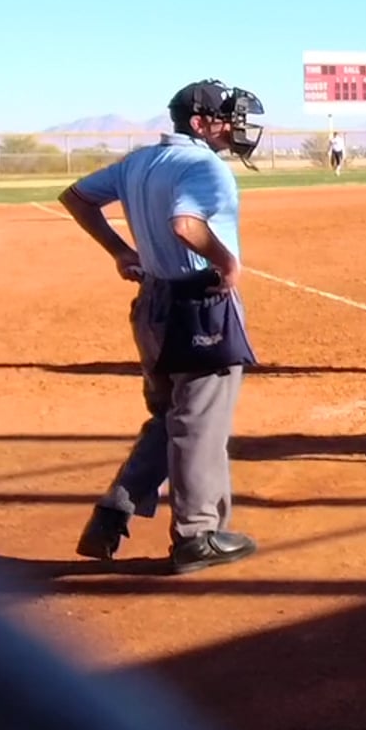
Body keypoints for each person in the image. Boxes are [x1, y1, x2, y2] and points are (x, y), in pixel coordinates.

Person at [62, 79, 265, 574]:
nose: (237, 126)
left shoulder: (140, 161)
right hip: (198, 304)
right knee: (199, 424)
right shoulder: (204, 166)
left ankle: (115, 511)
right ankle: (197, 536)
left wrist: (120, 251)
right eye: (227, 117)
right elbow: (186, 224)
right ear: (200, 124)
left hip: (152, 303)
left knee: (170, 416)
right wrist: (227, 263)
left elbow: (77, 197)